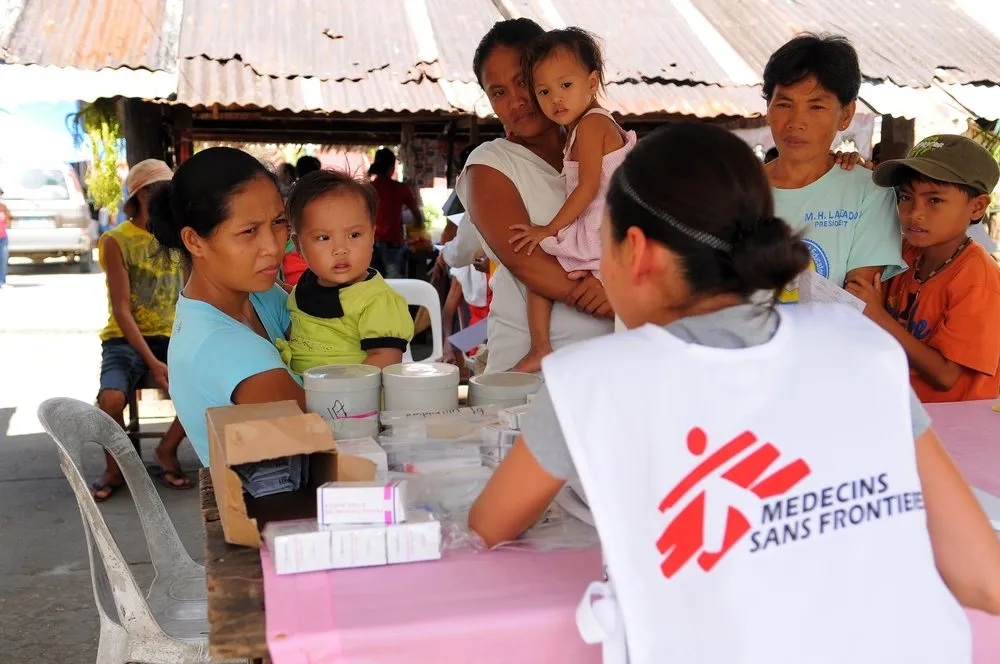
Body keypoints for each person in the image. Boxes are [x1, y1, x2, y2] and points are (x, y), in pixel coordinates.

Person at [469, 123, 1000, 662]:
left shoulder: (591, 381)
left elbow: (489, 524)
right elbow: (984, 577)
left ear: (635, 249)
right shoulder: (862, 346)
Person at [456, 18, 614, 373]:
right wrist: (617, 299)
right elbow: (526, 261)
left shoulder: (599, 143)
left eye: (523, 82)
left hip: (612, 361)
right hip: (531, 374)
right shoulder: (489, 164)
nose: (516, 101)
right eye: (498, 92)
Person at [149, 147, 304, 465]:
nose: (274, 247)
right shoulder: (222, 346)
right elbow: (331, 431)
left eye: (278, 222)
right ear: (194, 241)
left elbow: (328, 330)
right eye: (249, 231)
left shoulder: (255, 295)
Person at [504, 28, 635, 372]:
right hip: (603, 229)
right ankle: (542, 348)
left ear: (592, 83)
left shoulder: (592, 125)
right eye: (544, 91)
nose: (555, 99)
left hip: (601, 232)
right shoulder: (580, 127)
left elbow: (588, 187)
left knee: (539, 264)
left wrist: (548, 229)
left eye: (566, 86)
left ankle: (540, 348)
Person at [847, 135, 1000, 403]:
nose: (914, 212)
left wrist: (879, 317)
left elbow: (945, 377)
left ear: (977, 207)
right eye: (906, 196)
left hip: (953, 427)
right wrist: (850, 178)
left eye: (934, 200)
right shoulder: (905, 252)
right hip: (900, 411)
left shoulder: (978, 278)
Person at [763, 34, 905, 301]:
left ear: (846, 115)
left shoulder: (869, 192)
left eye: (816, 106)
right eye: (784, 104)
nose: (796, 122)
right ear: (768, 109)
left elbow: (857, 302)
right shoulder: (736, 192)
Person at [92, 160, 190, 501]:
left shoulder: (181, 237)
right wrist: (152, 361)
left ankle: (166, 449)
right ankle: (116, 466)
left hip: (175, 334)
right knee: (110, 400)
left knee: (211, 389)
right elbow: (121, 309)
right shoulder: (116, 240)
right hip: (125, 338)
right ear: (142, 195)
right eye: (160, 189)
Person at [277, 169, 413, 374]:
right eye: (323, 238)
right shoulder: (304, 287)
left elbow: (385, 358)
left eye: (354, 234)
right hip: (304, 395)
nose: (340, 249)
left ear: (372, 235)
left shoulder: (376, 300)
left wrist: (342, 391)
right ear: (298, 246)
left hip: (352, 401)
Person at [368, 148, 424, 279]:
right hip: (393, 241)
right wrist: (416, 232)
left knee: (370, 282)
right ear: (392, 167)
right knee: (395, 283)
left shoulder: (368, 188)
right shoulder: (401, 188)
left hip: (370, 242)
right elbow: (417, 216)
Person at [0, 187, 9, 288]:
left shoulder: (3, 207)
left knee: (3, 260)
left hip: (3, 237)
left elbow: (8, 219)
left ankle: (2, 282)